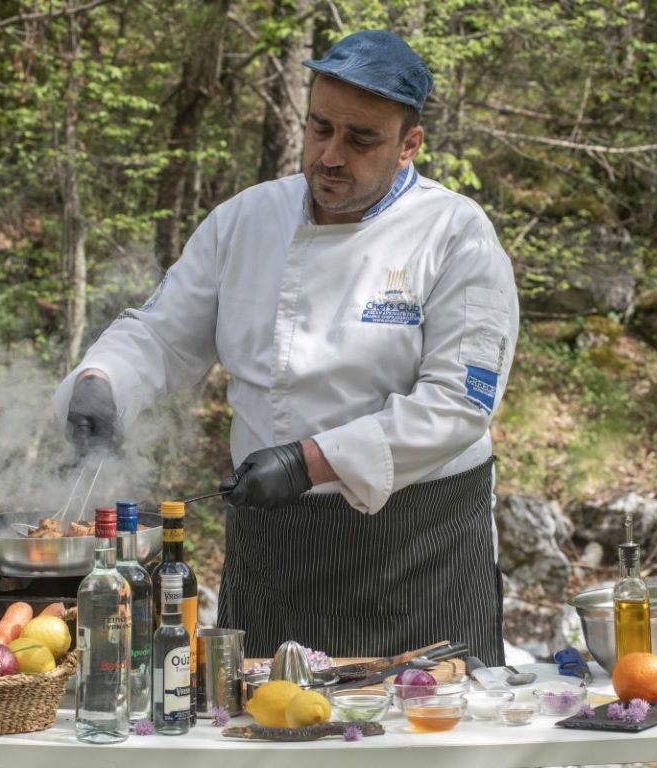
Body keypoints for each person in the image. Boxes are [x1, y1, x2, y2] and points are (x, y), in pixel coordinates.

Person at [55, 29, 519, 665]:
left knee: (425, 718)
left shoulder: (456, 234)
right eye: (320, 127)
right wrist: (102, 381)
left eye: (361, 139)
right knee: (259, 712)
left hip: (419, 547)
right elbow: (161, 335)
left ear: (409, 144)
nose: (331, 155)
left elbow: (459, 404)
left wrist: (309, 462)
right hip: (272, 541)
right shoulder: (245, 220)